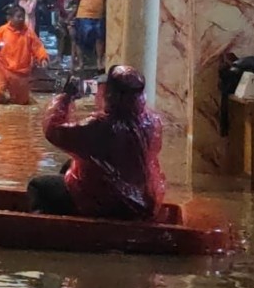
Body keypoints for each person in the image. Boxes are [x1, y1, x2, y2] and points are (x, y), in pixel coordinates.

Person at [26, 66, 165, 220]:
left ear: (111, 94)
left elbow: (53, 130)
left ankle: (45, 230)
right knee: (70, 164)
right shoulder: (152, 122)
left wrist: (65, 98)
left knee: (37, 186)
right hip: (144, 201)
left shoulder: (100, 125)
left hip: (105, 202)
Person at [0, 6, 49, 105]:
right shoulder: (2, 30)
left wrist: (42, 58)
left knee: (21, 102)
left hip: (21, 71)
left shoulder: (28, 33)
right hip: (3, 68)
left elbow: (38, 47)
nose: (21, 19)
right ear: (10, 18)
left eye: (23, 17)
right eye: (18, 17)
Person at [71, 0, 106, 67]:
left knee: (99, 39)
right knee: (80, 40)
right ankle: (81, 62)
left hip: (98, 16)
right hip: (83, 16)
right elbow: (75, 0)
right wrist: (72, 15)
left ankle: (99, 61)